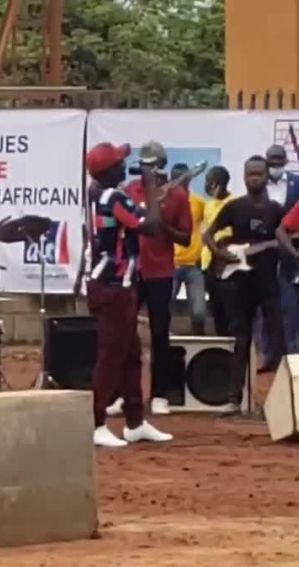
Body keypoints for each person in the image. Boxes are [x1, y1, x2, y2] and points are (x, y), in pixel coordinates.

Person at [84, 142, 173, 448]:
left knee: (131, 354)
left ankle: (134, 422)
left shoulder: (97, 191)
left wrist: (151, 198)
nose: (126, 167)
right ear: (110, 171)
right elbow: (150, 226)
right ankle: (95, 423)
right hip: (113, 286)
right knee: (111, 357)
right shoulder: (113, 196)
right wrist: (150, 186)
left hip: (114, 284)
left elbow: (137, 219)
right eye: (120, 164)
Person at [203, 156, 287, 411]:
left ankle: (283, 401)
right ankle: (234, 398)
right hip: (239, 283)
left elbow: (285, 237)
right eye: (250, 173)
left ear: (266, 176)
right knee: (240, 339)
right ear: (243, 176)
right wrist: (219, 253)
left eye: (259, 173)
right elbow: (208, 233)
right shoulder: (235, 207)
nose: (255, 178)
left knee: (278, 338)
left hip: (268, 283)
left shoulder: (275, 210)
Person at [120, 141, 191, 417]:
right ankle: (122, 394)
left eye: (150, 165)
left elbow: (185, 238)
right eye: (143, 165)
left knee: (160, 334)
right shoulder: (130, 191)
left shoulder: (178, 196)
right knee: (124, 334)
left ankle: (160, 393)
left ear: (160, 165)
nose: (145, 171)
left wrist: (163, 224)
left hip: (161, 272)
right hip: (132, 271)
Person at [260, 144, 299, 359]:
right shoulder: (256, 185)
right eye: (272, 160)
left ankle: (297, 351)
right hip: (264, 251)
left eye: (280, 159)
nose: (275, 164)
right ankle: (270, 352)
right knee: (266, 303)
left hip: (294, 252)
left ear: (286, 160)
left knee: (292, 303)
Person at [170, 163, 207, 336]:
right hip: (170, 264)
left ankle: (199, 346)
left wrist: (204, 253)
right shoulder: (164, 202)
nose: (179, 181)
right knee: (163, 309)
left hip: (194, 265)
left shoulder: (199, 202)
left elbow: (207, 230)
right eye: (176, 177)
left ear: (189, 177)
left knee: (199, 312)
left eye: (182, 176)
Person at [200, 166, 235, 336]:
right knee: (216, 310)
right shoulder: (208, 205)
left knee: (231, 311)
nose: (206, 186)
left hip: (228, 263)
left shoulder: (235, 204)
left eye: (208, 182)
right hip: (209, 265)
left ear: (217, 184)